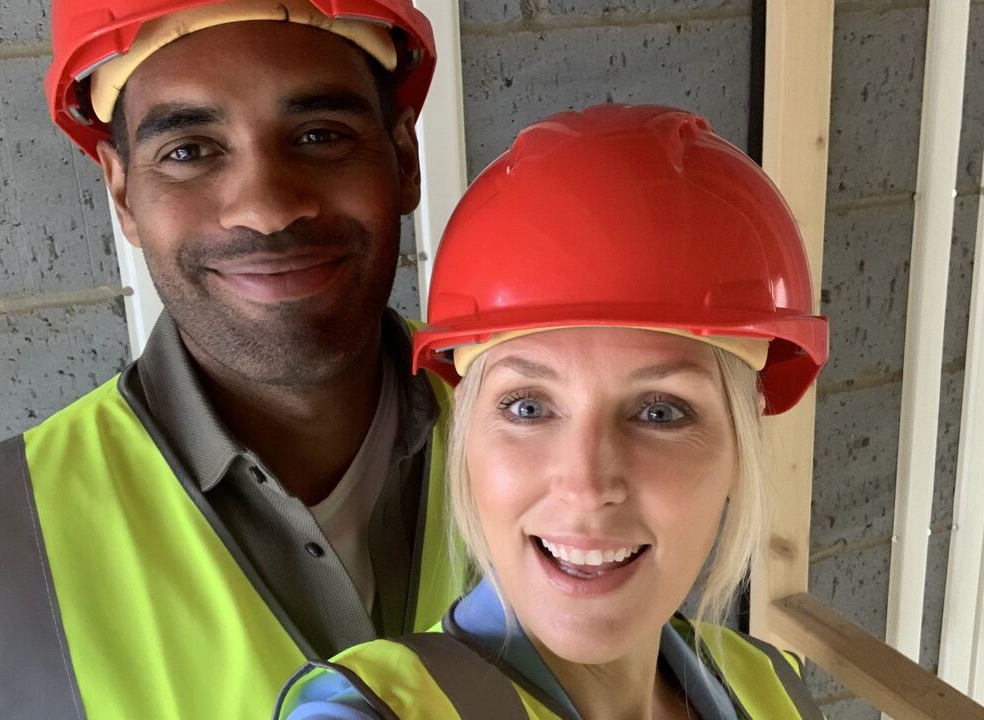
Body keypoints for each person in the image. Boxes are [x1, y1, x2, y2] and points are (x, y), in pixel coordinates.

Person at [0, 1, 465, 718]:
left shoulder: (589, 428)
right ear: (122, 192)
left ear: (402, 159)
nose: (266, 207)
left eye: (319, 135)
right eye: (189, 151)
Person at [277, 104, 830, 720]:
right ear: (467, 438)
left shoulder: (770, 687)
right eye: (528, 406)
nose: (587, 487)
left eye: (660, 413)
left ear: (738, 444)